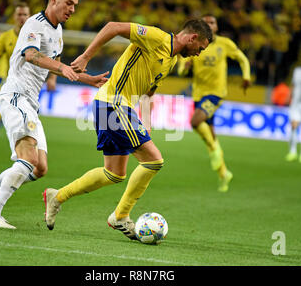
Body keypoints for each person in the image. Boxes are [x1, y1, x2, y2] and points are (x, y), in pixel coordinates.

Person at [42, 19, 212, 239]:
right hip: (113, 103)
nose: (198, 53)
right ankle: (121, 216)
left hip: (118, 107)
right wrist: (85, 57)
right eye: (200, 48)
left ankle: (57, 196)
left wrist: (146, 124)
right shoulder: (156, 37)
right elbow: (113, 27)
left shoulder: (170, 61)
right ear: (192, 37)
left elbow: (148, 93)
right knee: (154, 161)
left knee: (113, 173)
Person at [0, 0, 109, 229]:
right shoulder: (34, 24)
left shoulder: (58, 31)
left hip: (32, 102)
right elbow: (30, 54)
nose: (73, 9)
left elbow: (59, 67)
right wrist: (62, 66)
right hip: (16, 96)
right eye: (69, 3)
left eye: (75, 5)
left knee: (40, 167)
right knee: (28, 159)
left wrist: (87, 79)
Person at [177, 14, 251, 192]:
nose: (210, 25)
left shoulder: (224, 44)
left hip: (216, 94)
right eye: (206, 22)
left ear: (217, 26)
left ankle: (216, 151)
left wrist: (246, 76)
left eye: (212, 22)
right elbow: (180, 71)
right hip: (198, 94)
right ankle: (224, 174)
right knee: (209, 133)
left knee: (195, 121)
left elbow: (242, 59)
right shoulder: (193, 43)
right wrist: (184, 68)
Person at [0, 2, 31, 128]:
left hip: (31, 83)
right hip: (11, 80)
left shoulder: (35, 36)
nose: (21, 17)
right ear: (14, 16)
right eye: (19, 14)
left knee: (28, 121)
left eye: (24, 14)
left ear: (29, 16)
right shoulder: (5, 37)